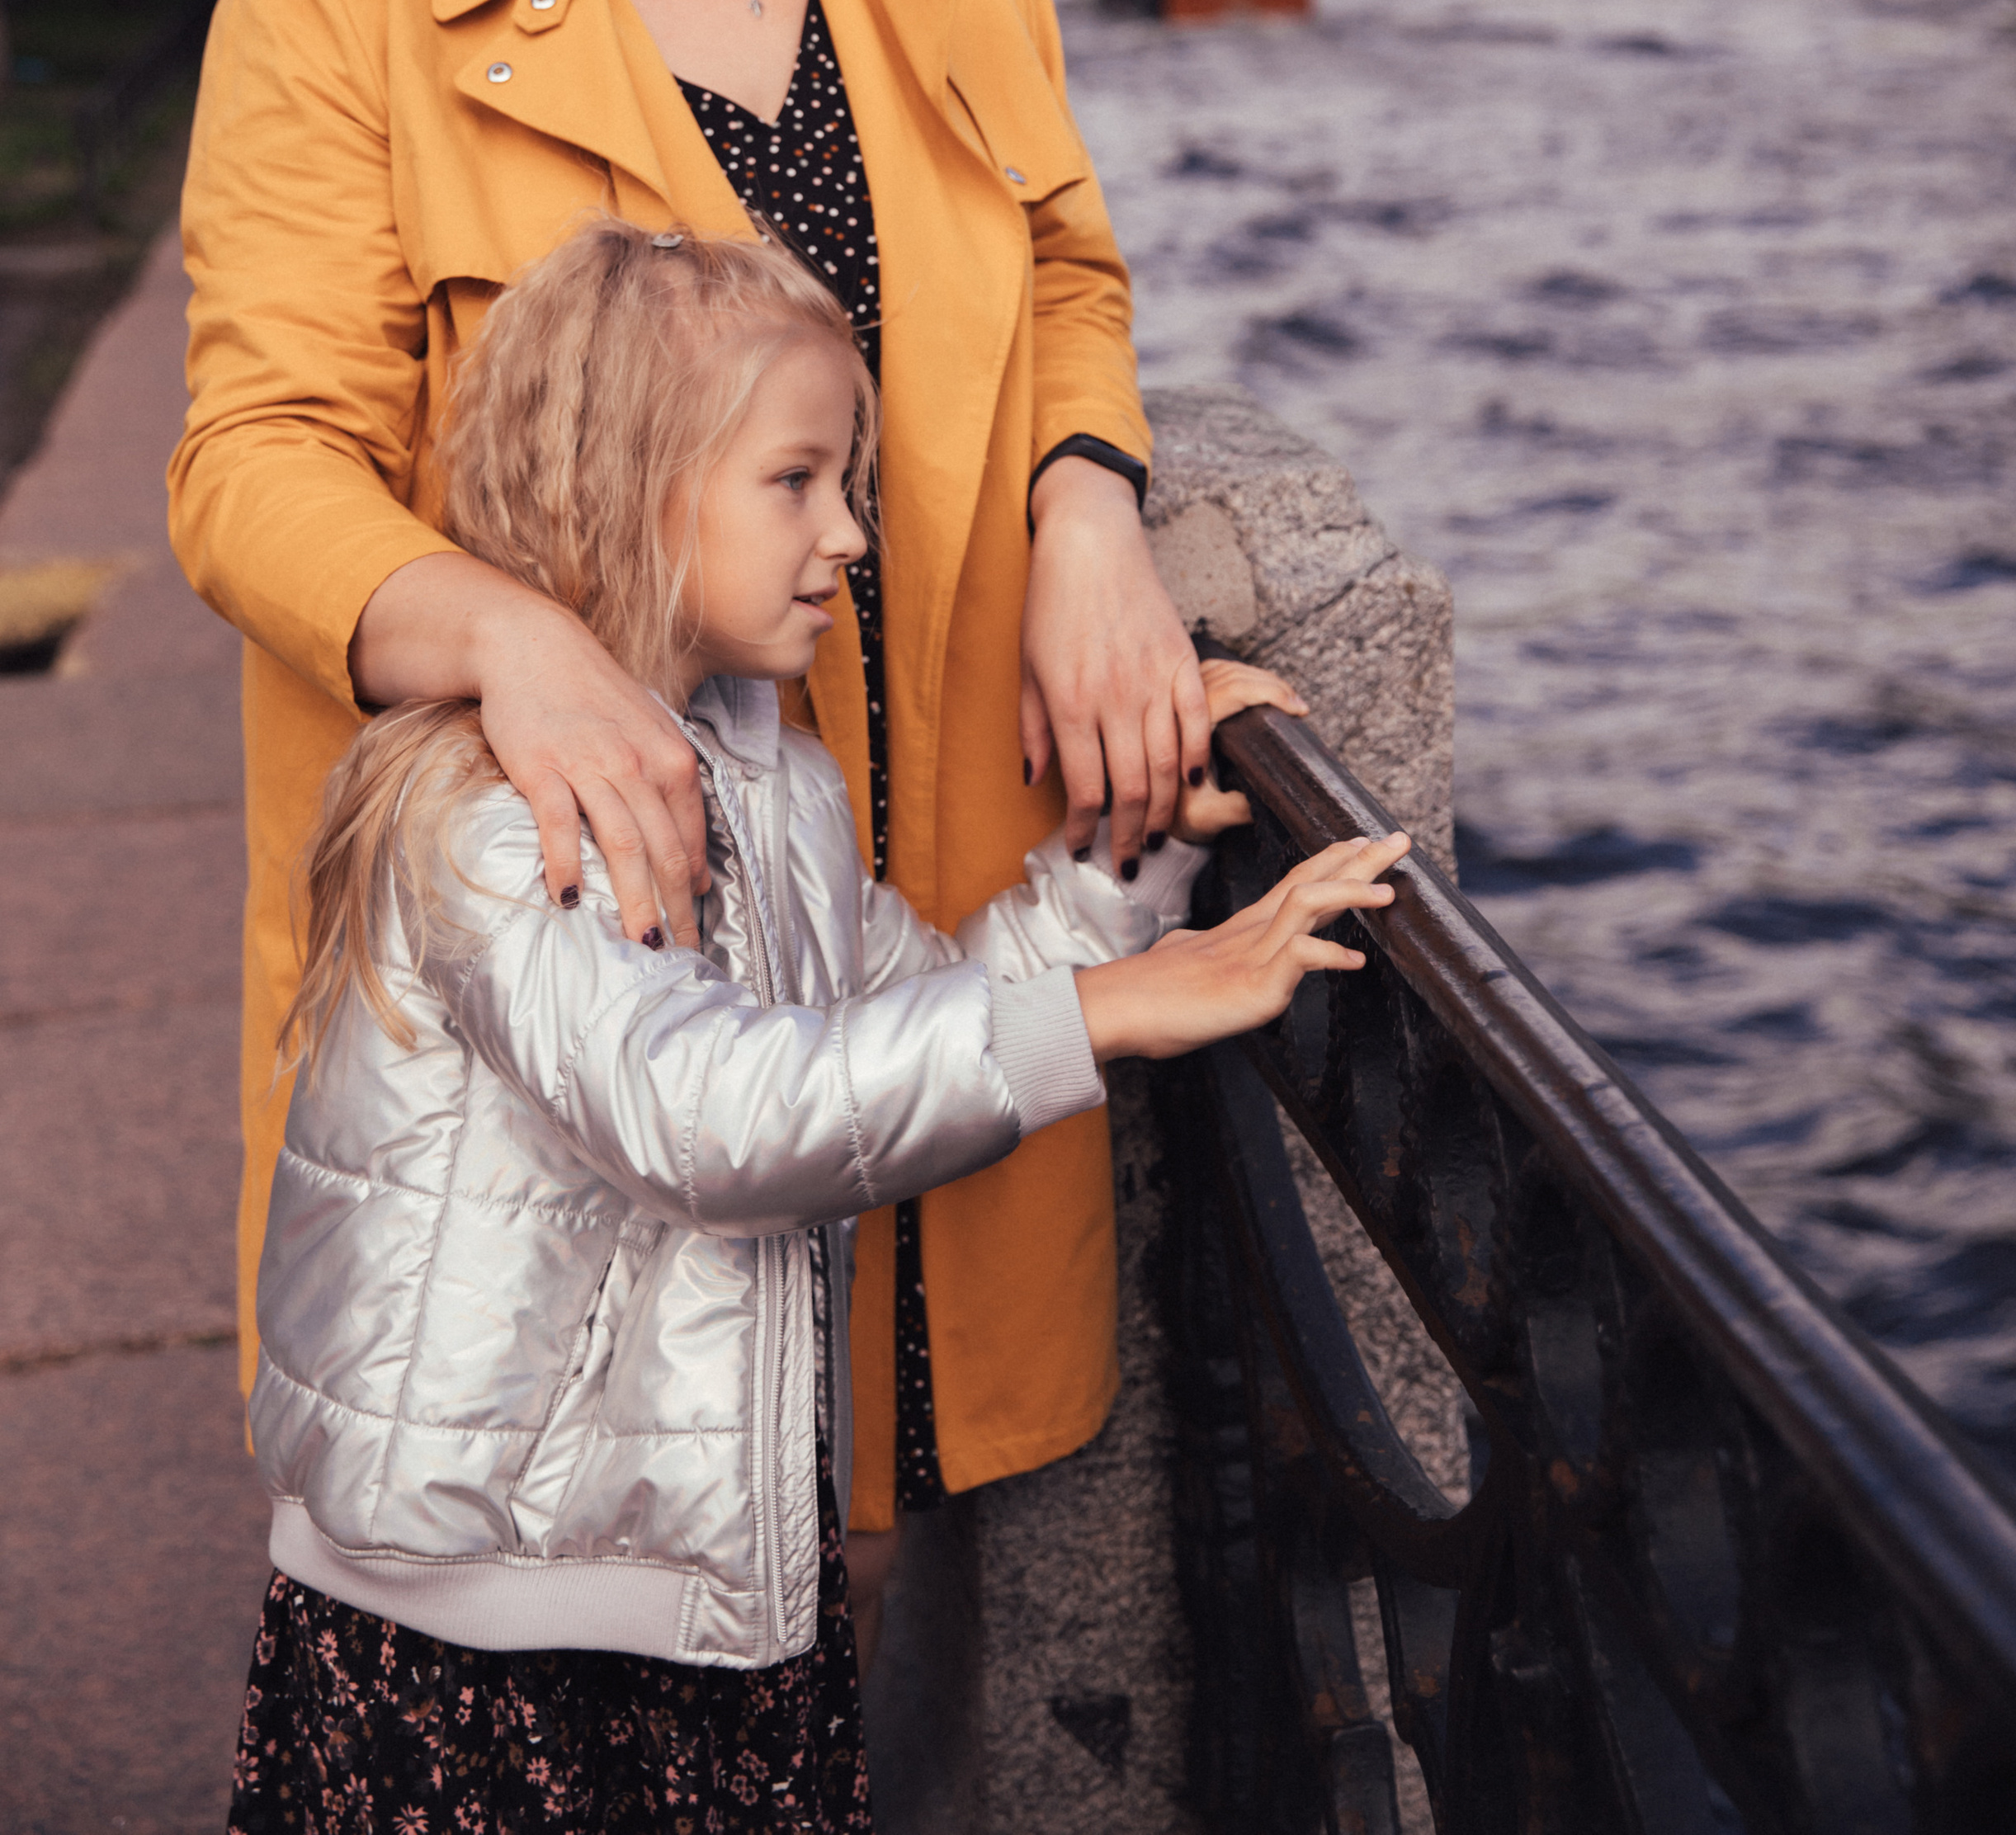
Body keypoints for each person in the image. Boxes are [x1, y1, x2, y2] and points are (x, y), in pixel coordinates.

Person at [172, 0, 1216, 1610]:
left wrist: (1089, 511)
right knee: (613, 1589)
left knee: (898, 1585)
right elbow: (256, 462)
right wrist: (515, 643)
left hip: (925, 881)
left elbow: (1058, 265)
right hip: (590, 977)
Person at [225, 221, 1407, 1831]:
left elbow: (919, 1016)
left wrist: (1126, 860)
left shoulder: (769, 781)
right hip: (485, 1617)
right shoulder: (503, 817)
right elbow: (711, 1119)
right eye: (795, 482)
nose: (847, 535)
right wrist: (1118, 1009)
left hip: (686, 1578)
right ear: (633, 488)